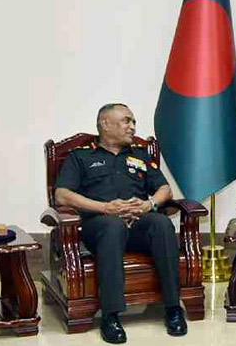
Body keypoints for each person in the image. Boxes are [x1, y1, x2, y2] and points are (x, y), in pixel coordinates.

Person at [54, 103, 186, 343]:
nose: (132, 126)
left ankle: (173, 308)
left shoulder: (140, 155)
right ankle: (111, 315)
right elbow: (62, 194)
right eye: (127, 121)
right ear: (105, 124)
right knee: (112, 226)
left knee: (161, 224)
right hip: (99, 227)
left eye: (133, 122)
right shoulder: (81, 156)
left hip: (137, 224)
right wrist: (105, 208)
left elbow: (164, 189)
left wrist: (149, 205)